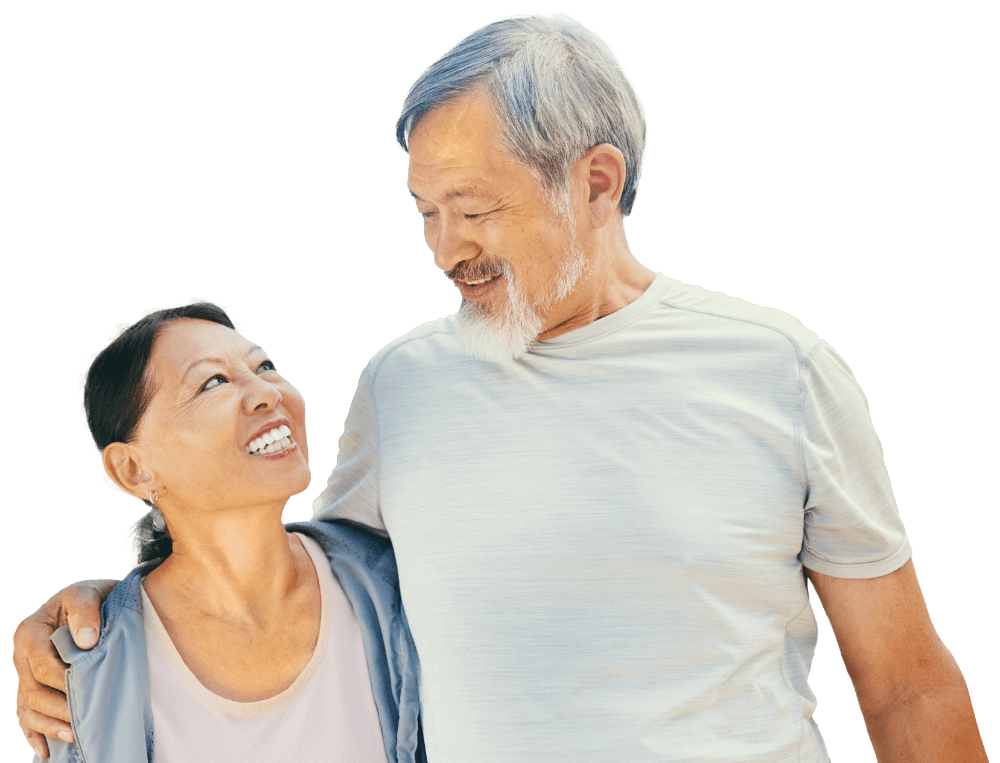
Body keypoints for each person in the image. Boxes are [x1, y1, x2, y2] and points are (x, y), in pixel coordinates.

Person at [15, 12, 987, 763]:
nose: (445, 248)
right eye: (426, 211)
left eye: (475, 208)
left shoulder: (781, 367)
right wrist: (105, 611)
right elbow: (289, 585)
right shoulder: (403, 385)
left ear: (596, 181)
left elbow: (904, 685)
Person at [14, 302, 424, 761]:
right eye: (214, 382)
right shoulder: (89, 672)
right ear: (133, 468)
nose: (266, 392)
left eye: (264, 366)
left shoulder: (400, 584)